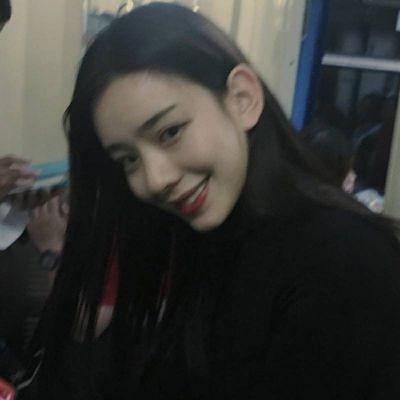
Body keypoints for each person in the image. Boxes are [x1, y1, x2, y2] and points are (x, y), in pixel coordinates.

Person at [29, 3, 400, 399]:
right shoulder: (207, 238)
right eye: (128, 159)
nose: (155, 180)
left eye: (170, 132)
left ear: (242, 98)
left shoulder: (342, 261)